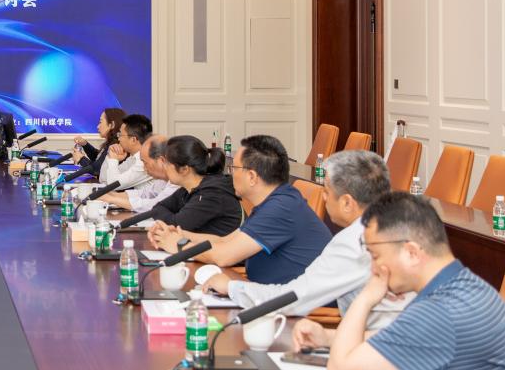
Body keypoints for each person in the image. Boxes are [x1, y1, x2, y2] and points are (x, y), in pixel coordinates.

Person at [293, 192, 505, 370]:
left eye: (375, 256)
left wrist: (366, 297)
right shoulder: (465, 286)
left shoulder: (440, 311)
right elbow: (398, 340)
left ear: (411, 252)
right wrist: (328, 337)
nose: (374, 269)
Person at [201, 150, 411, 327]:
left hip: (376, 347)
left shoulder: (355, 241)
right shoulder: (403, 224)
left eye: (326, 191)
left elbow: (294, 298)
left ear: (347, 202)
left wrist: (232, 287)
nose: (324, 197)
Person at [152, 135, 330, 284]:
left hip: (292, 310)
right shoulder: (275, 201)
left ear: (252, 176)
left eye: (234, 169)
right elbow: (225, 240)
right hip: (262, 295)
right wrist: (181, 234)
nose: (230, 174)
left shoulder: (281, 208)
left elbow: (224, 256)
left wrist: (179, 245)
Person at [140, 135, 243, 236]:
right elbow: (158, 207)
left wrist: (169, 218)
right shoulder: (188, 189)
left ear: (184, 169)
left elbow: (176, 226)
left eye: (167, 163)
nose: (164, 167)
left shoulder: (212, 194)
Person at [106, 134, 177, 213]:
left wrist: (111, 199)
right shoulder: (163, 179)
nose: (144, 168)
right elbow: (145, 194)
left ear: (161, 161)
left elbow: (155, 205)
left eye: (145, 163)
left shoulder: (177, 181)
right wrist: (111, 195)